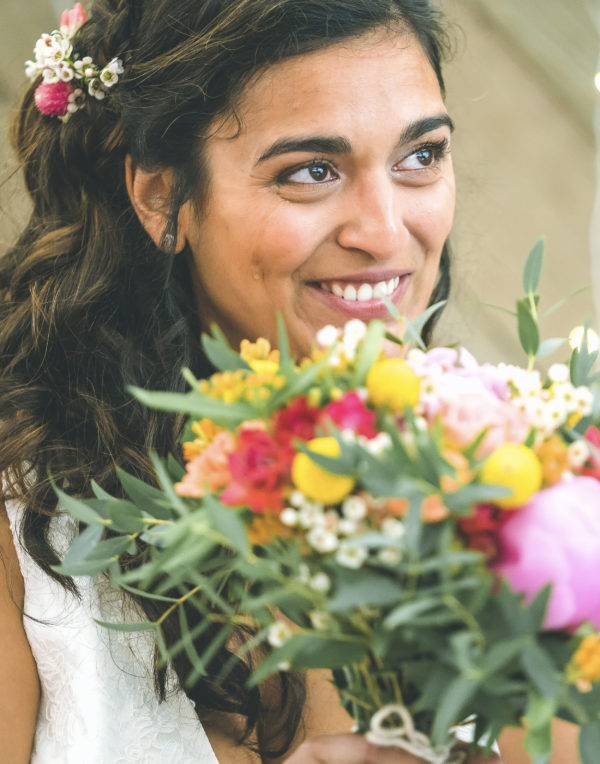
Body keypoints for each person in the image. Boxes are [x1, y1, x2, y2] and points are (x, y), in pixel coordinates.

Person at [0, 0, 579, 761]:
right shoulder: (26, 537)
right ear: (159, 196)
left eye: (421, 157)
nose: (382, 232)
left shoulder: (525, 490)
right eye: (311, 171)